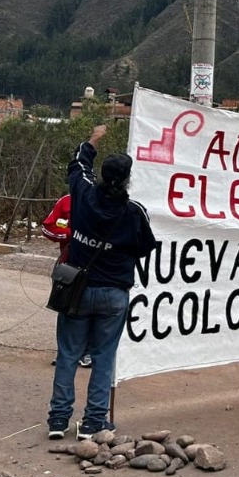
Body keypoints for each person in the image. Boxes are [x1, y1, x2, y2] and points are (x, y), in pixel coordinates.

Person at [47, 125, 155, 441]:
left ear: (101, 175)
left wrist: (93, 140)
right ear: (127, 180)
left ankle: (57, 420)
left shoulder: (81, 193)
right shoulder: (134, 212)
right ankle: (94, 422)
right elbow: (146, 247)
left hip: (76, 290)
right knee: (104, 358)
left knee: (68, 354)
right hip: (113, 294)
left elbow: (78, 163)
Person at [41, 194, 91, 369]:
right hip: (68, 268)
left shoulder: (102, 199)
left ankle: (87, 353)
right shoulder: (66, 201)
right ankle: (65, 352)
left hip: (96, 269)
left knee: (90, 309)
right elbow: (48, 227)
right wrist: (71, 234)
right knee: (65, 309)